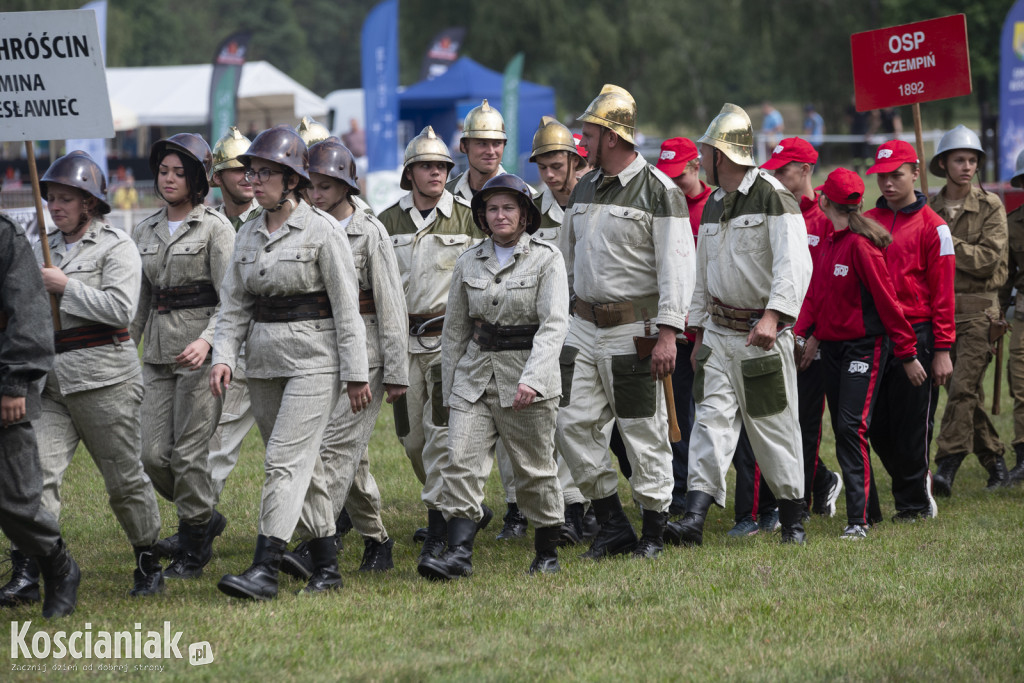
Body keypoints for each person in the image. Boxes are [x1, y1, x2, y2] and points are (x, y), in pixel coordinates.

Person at [211, 125, 368, 600]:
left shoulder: (323, 231)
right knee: (307, 468)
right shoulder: (248, 233)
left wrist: (357, 372)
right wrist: (223, 356)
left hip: (314, 363)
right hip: (261, 362)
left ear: (293, 179)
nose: (254, 181)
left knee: (282, 461)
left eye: (266, 173)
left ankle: (265, 568)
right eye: (251, 172)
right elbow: (234, 304)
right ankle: (326, 565)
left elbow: (347, 307)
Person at [556, 84, 695, 560]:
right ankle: (613, 523)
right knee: (570, 423)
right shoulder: (586, 187)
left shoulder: (661, 191)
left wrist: (668, 335)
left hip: (634, 333)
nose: (583, 141)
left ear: (612, 137)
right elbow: (566, 258)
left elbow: (678, 267)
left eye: (589, 133)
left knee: (643, 431)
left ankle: (654, 531)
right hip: (583, 326)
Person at [667, 103, 812, 547]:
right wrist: (699, 331)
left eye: (708, 149)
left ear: (722, 156)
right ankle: (693, 518)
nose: (703, 155)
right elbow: (702, 273)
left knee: (772, 427)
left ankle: (793, 521)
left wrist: (773, 316)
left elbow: (795, 262)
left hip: (759, 338)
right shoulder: (714, 203)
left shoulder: (773, 195)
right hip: (720, 337)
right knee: (709, 425)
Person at [26, 152, 164, 597]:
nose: (57, 206)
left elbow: (121, 310)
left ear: (89, 202)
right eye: (52, 199)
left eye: (66, 199)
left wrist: (65, 287)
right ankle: (35, 569)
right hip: (50, 384)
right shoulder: (37, 247)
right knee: (36, 477)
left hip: (105, 380)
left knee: (124, 482)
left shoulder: (117, 246)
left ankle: (147, 561)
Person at [419, 174, 569, 580]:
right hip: (475, 374)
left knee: (535, 471)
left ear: (524, 215)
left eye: (508, 208)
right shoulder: (469, 260)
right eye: (492, 209)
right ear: (482, 217)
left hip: (526, 377)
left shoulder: (547, 258)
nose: (500, 215)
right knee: (460, 461)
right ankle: (459, 554)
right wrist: (450, 390)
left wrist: (534, 380)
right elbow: (454, 332)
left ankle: (547, 550)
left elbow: (554, 325)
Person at [282, 136, 407, 576]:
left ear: (346, 186)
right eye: (310, 185)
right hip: (320, 352)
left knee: (334, 449)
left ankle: (315, 545)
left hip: (368, 358)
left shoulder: (369, 232)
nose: (316, 194)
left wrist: (396, 372)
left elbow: (391, 305)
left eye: (326, 186)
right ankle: (378, 541)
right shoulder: (303, 228)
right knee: (346, 457)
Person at [378, 127, 490, 564]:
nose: (437, 173)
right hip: (402, 342)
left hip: (449, 345)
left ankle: (440, 525)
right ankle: (453, 504)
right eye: (427, 166)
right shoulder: (386, 222)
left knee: (444, 436)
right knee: (412, 440)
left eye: (442, 167)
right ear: (410, 173)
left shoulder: (467, 218)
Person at [794, 168, 926, 538]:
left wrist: (908, 354)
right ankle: (869, 511)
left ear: (824, 200)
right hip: (832, 347)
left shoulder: (861, 246)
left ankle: (858, 521)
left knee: (851, 428)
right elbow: (817, 297)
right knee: (843, 427)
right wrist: (805, 334)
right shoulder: (825, 240)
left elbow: (888, 305)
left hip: (865, 347)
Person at [131, 134, 234, 580]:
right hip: (156, 352)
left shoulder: (216, 228)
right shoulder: (144, 230)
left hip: (200, 355)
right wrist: (120, 348)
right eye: (163, 171)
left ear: (197, 180)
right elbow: (139, 300)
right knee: (152, 455)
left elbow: (233, 298)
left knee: (189, 454)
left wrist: (209, 341)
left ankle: (194, 544)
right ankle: (203, 515)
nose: (168, 179)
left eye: (179, 172)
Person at [446, 99, 533, 539]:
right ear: (464, 145)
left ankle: (518, 512)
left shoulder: (517, 194)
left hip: (510, 326)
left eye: (497, 142)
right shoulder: (448, 198)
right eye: (481, 142)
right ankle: (463, 512)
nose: (490, 150)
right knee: (448, 435)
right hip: (460, 322)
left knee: (513, 436)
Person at [865, 140, 954, 521]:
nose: (888, 183)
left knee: (912, 424)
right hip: (871, 336)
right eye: (882, 176)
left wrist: (942, 349)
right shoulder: (867, 220)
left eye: (896, 175)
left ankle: (914, 504)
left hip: (918, 333)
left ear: (915, 174)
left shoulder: (935, 227)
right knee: (874, 425)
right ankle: (912, 482)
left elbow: (944, 291)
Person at [0, 208, 80, 619]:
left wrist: (17, 382)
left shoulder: (6, 236)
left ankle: (58, 564)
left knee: (16, 502)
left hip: (3, 388)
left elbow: (28, 313)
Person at [760, 137, 843, 519]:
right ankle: (821, 480)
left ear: (806, 170)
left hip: (812, 338)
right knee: (773, 418)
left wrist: (814, 336)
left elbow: (829, 286)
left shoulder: (826, 217)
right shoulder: (774, 212)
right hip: (778, 331)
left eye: (783, 170)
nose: (775, 176)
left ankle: (800, 503)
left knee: (806, 421)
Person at [928, 126, 1009, 494]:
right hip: (942, 313)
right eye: (959, 159)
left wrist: (945, 239)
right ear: (943, 163)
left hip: (981, 314)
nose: (967, 167)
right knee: (966, 394)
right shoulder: (928, 208)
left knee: (961, 388)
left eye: (973, 160)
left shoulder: (991, 206)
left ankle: (946, 466)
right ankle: (995, 460)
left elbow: (988, 262)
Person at [527, 116, 590, 542]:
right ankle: (572, 509)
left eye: (556, 166)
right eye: (542, 168)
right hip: (551, 330)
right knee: (559, 420)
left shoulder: (595, 201)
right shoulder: (531, 209)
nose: (550, 176)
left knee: (603, 426)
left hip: (596, 323)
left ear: (574, 161)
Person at [204, 126, 262, 504]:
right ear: (217, 178)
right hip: (233, 350)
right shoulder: (208, 224)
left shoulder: (275, 217)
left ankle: (346, 532)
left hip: (287, 345)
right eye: (236, 169)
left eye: (251, 169)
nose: (246, 176)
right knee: (217, 444)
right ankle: (199, 528)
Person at [1002, 150, 1024, 485]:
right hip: (1022, 312)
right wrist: (997, 312)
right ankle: (1023, 456)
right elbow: (1004, 275)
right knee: (1020, 383)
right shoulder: (1013, 223)